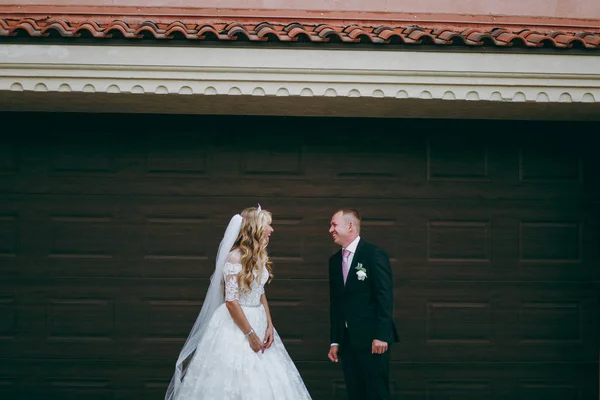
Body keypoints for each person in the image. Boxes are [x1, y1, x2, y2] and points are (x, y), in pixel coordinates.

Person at [165, 206, 312, 400]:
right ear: (256, 228)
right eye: (268, 225)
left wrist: (269, 323)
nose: (271, 230)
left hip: (259, 319)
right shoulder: (235, 258)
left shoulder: (258, 256)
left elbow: (260, 292)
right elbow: (231, 302)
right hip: (237, 324)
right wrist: (250, 335)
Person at [327, 209, 399, 400]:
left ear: (350, 226)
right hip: (348, 341)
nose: (330, 230)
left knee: (376, 391)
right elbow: (336, 303)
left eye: (334, 225)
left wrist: (381, 335)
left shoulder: (373, 254)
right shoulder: (334, 261)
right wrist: (335, 340)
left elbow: (384, 296)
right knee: (355, 391)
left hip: (373, 339)